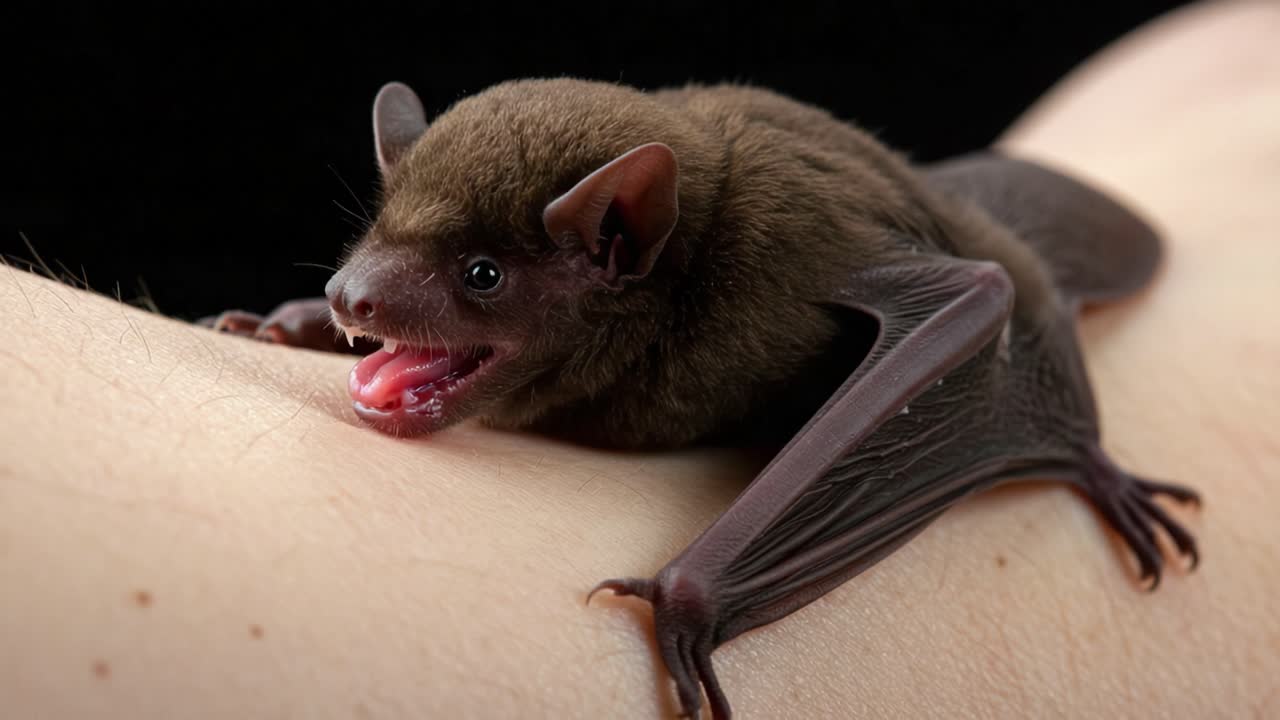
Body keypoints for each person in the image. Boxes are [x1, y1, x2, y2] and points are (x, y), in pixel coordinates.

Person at [3, 1, 1276, 716]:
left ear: (614, 240)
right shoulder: (586, 309)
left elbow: (978, 296)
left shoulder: (764, 280)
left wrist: (697, 589)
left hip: (949, 274)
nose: (359, 294)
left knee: (980, 297)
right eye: (381, 251)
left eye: (481, 279)